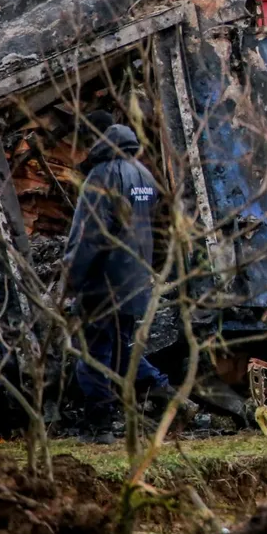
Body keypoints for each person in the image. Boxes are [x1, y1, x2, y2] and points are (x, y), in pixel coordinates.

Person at [64, 120, 180, 441]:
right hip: (136, 283)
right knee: (121, 349)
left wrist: (71, 279)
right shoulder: (144, 176)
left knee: (91, 354)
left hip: (104, 283)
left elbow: (87, 237)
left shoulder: (101, 178)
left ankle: (99, 425)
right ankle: (164, 393)